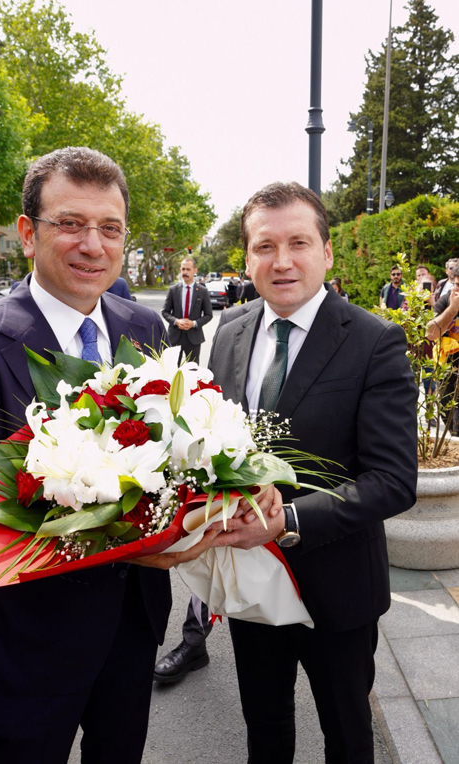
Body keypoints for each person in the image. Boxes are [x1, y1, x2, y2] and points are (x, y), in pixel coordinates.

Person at [0, 147, 207, 764]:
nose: (93, 245)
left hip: (132, 625)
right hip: (26, 638)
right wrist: (142, 540)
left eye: (111, 229)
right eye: (71, 224)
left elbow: (174, 452)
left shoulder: (145, 328)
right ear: (28, 233)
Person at [205, 182, 417, 763]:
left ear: (326, 252)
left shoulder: (375, 341)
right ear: (247, 259)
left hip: (339, 589)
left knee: (347, 734)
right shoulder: (229, 332)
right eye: (264, 246)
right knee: (264, 726)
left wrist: (288, 521)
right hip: (251, 579)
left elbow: (394, 479)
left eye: (298, 242)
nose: (281, 260)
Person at [426, 264, 459, 435]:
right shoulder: (446, 300)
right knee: (447, 410)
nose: (458, 290)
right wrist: (452, 310)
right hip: (448, 368)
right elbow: (430, 333)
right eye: (457, 285)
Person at [162, 256, 213, 363]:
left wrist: (193, 323)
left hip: (194, 337)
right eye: (183, 269)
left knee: (193, 371)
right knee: (172, 370)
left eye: (188, 269)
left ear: (195, 270)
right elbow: (165, 312)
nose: (185, 272)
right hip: (175, 336)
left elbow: (208, 315)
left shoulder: (202, 291)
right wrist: (176, 321)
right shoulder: (173, 290)